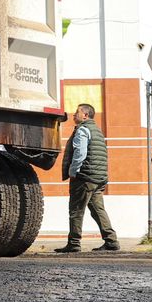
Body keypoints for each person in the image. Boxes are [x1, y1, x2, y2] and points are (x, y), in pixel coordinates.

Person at [55, 103, 119, 253]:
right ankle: (111, 241)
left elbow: (80, 153)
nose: (73, 115)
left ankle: (74, 243)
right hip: (99, 178)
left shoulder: (83, 130)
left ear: (85, 115)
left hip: (84, 177)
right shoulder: (97, 131)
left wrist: (73, 171)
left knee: (76, 210)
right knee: (98, 209)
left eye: (76, 112)